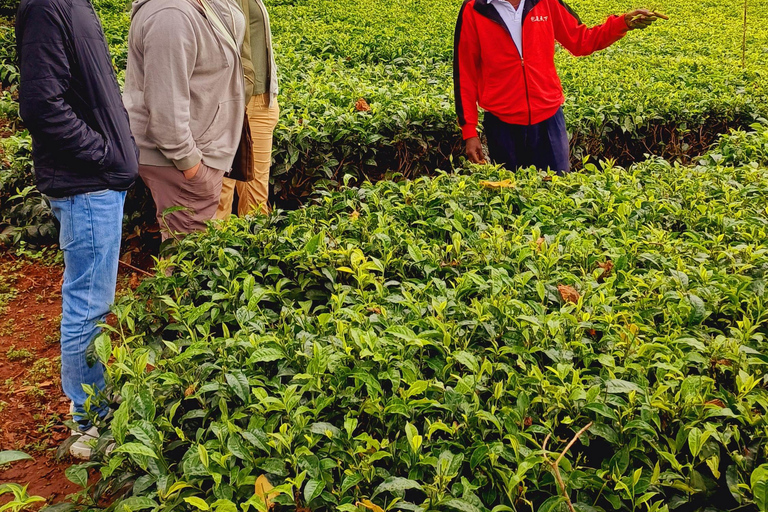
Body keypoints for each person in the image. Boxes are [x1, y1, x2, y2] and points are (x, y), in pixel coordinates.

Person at [16, 0, 139, 459]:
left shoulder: (74, 5)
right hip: (87, 185)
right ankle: (91, 422)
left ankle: (96, 408)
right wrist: (106, 154)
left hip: (98, 183)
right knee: (88, 305)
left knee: (94, 301)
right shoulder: (49, 7)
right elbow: (41, 106)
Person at [453, 0, 664, 173]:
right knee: (511, 202)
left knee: (557, 194)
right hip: (502, 125)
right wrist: (469, 131)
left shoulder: (547, 2)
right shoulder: (475, 9)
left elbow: (582, 40)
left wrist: (622, 23)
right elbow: (465, 73)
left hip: (549, 121)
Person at [124, 0, 246, 240]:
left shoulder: (190, 7)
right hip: (181, 160)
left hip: (193, 152)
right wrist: (191, 166)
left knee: (184, 255)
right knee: (185, 265)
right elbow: (166, 107)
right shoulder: (171, 14)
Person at [215, 0, 280, 219]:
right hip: (228, 102)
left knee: (256, 200)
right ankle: (211, 253)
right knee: (219, 196)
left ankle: (251, 249)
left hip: (261, 99)